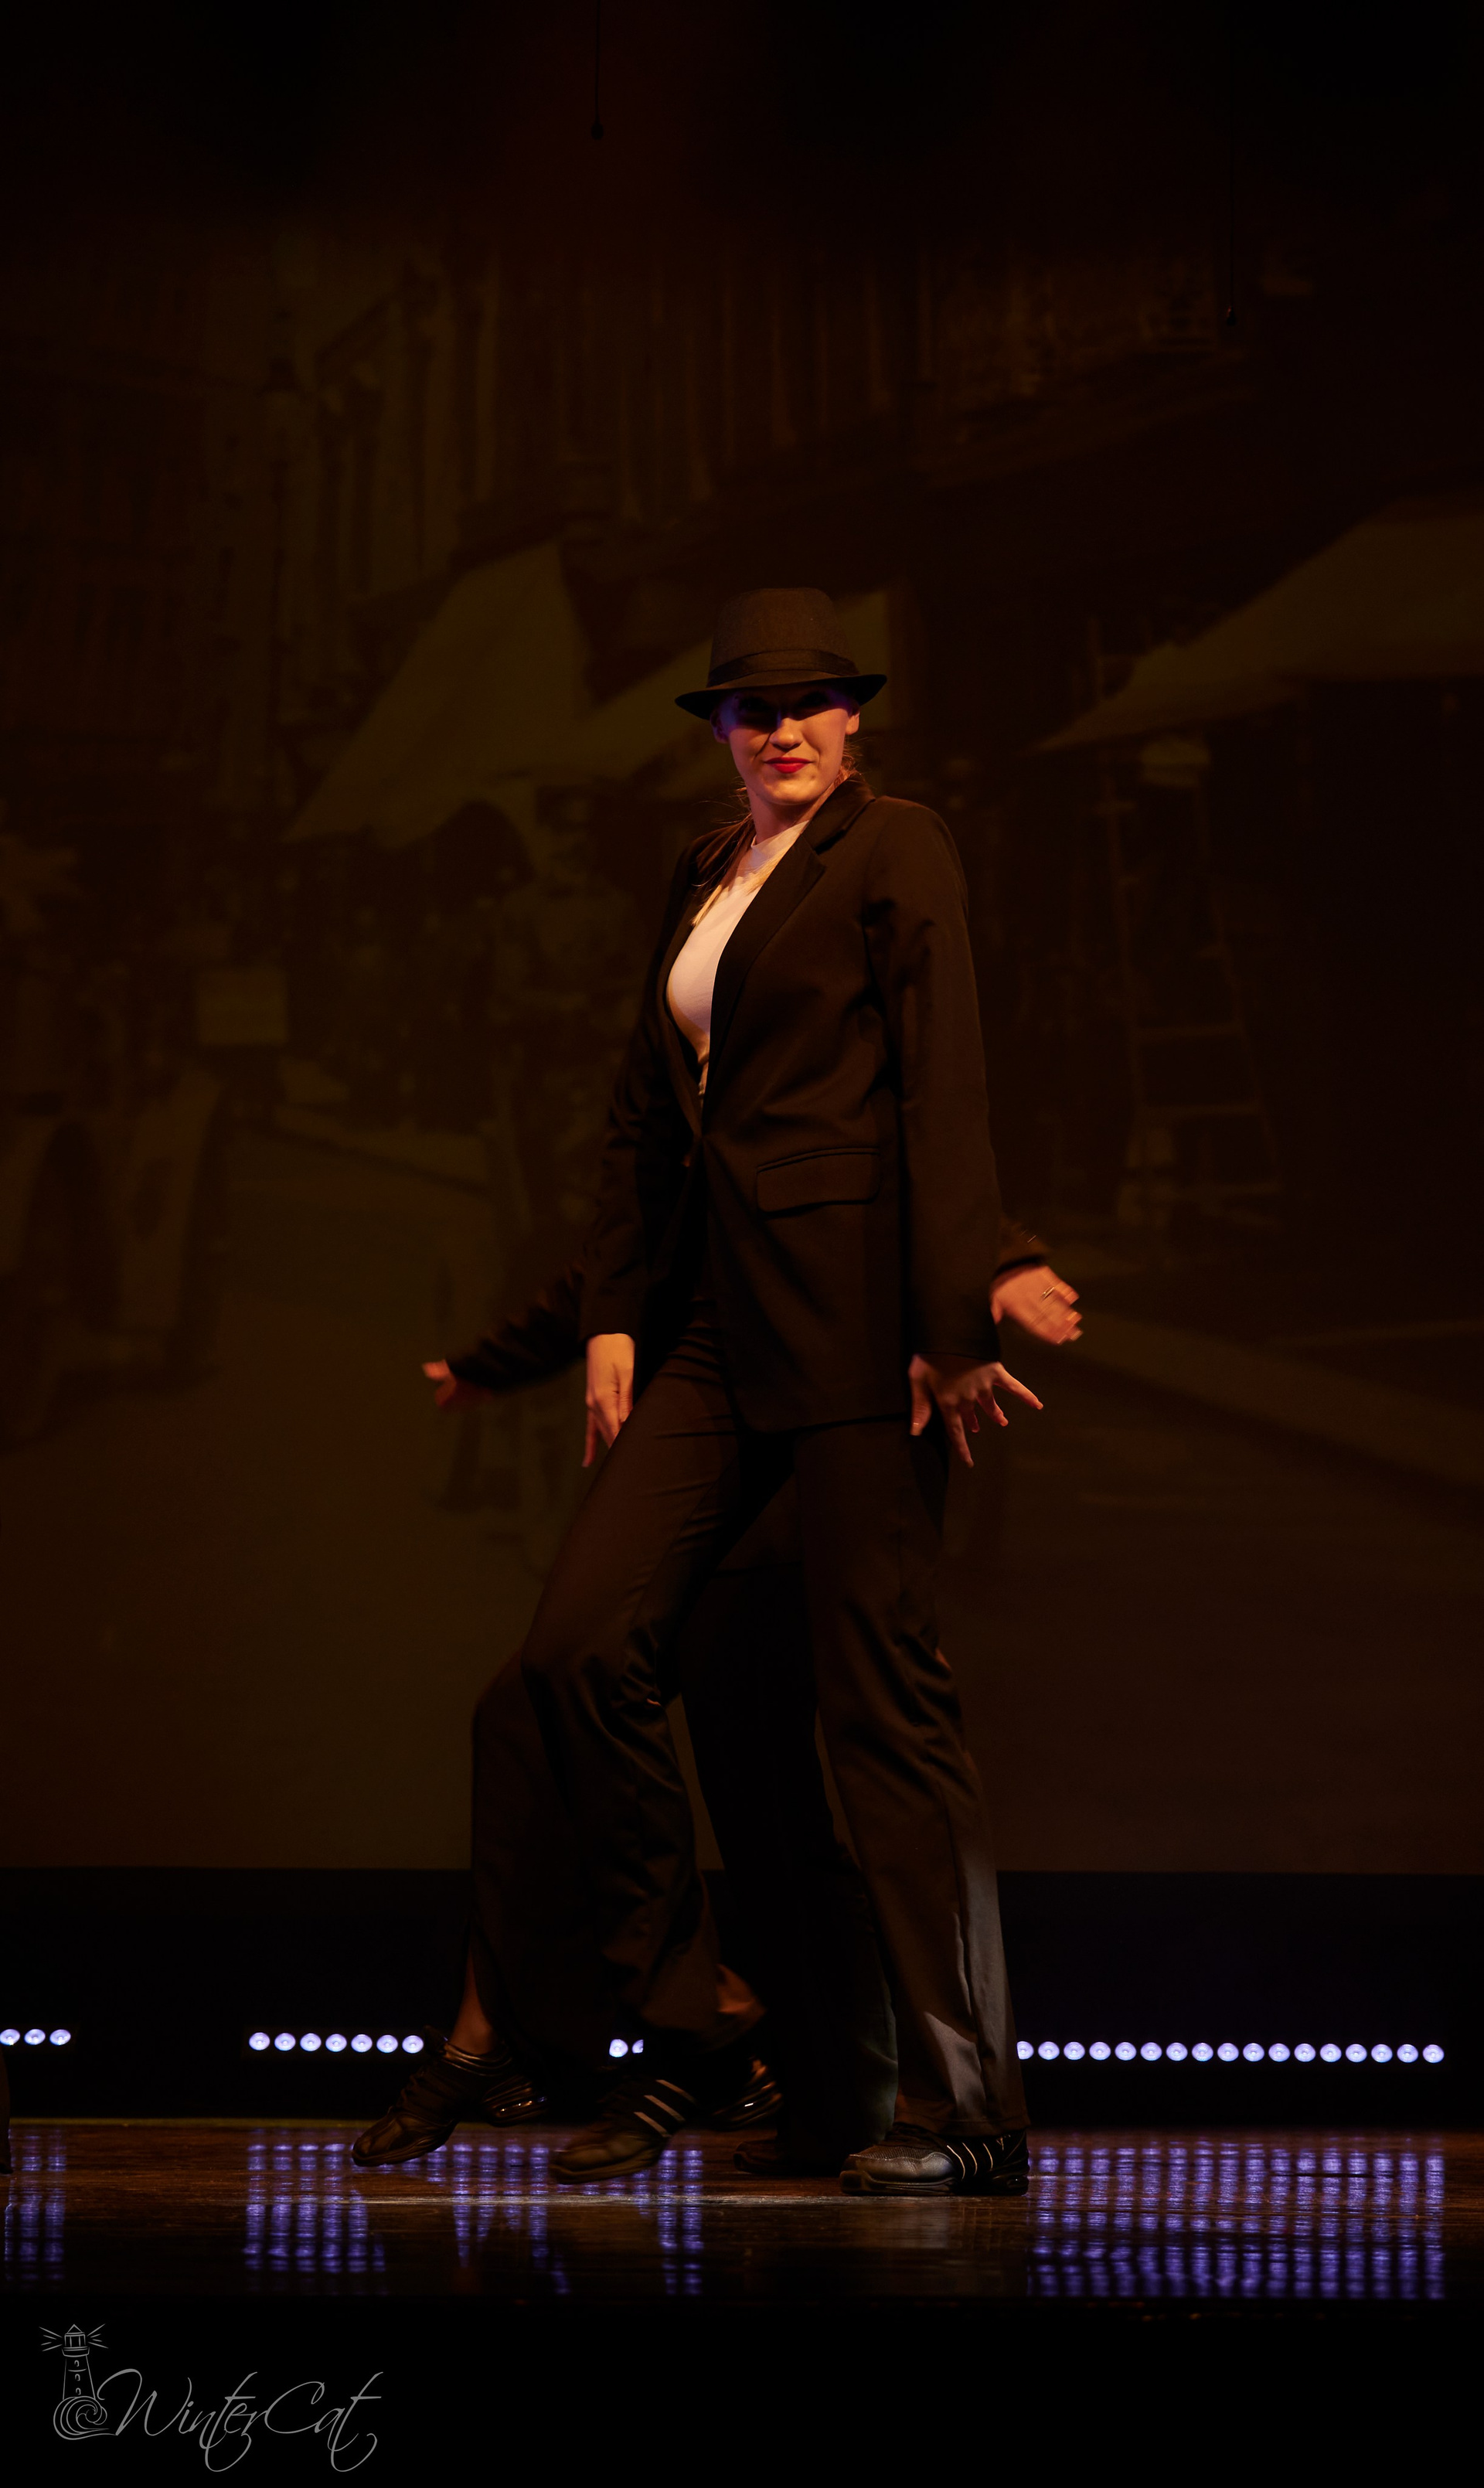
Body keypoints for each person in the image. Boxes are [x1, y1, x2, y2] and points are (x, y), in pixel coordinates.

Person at [496, 585, 1049, 2196]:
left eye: (811, 702)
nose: (784, 727)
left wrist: (955, 1315)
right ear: (722, 733)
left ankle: (967, 2107)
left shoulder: (897, 846)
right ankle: (722, 2022)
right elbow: (643, 1109)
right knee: (583, 1647)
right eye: (755, 708)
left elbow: (943, 1082)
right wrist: (613, 1313)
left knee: (884, 1715)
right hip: (713, 1330)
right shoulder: (700, 870)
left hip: (858, 1326)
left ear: (855, 717)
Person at [352, 1226, 1079, 2176]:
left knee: (762, 1790)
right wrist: (505, 1356)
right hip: (716, 1467)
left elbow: (893, 1164)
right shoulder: (694, 1158)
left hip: (801, 1463)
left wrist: (999, 1257)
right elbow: (643, 1244)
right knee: (548, 1709)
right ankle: (615, 2034)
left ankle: (766, 2072)